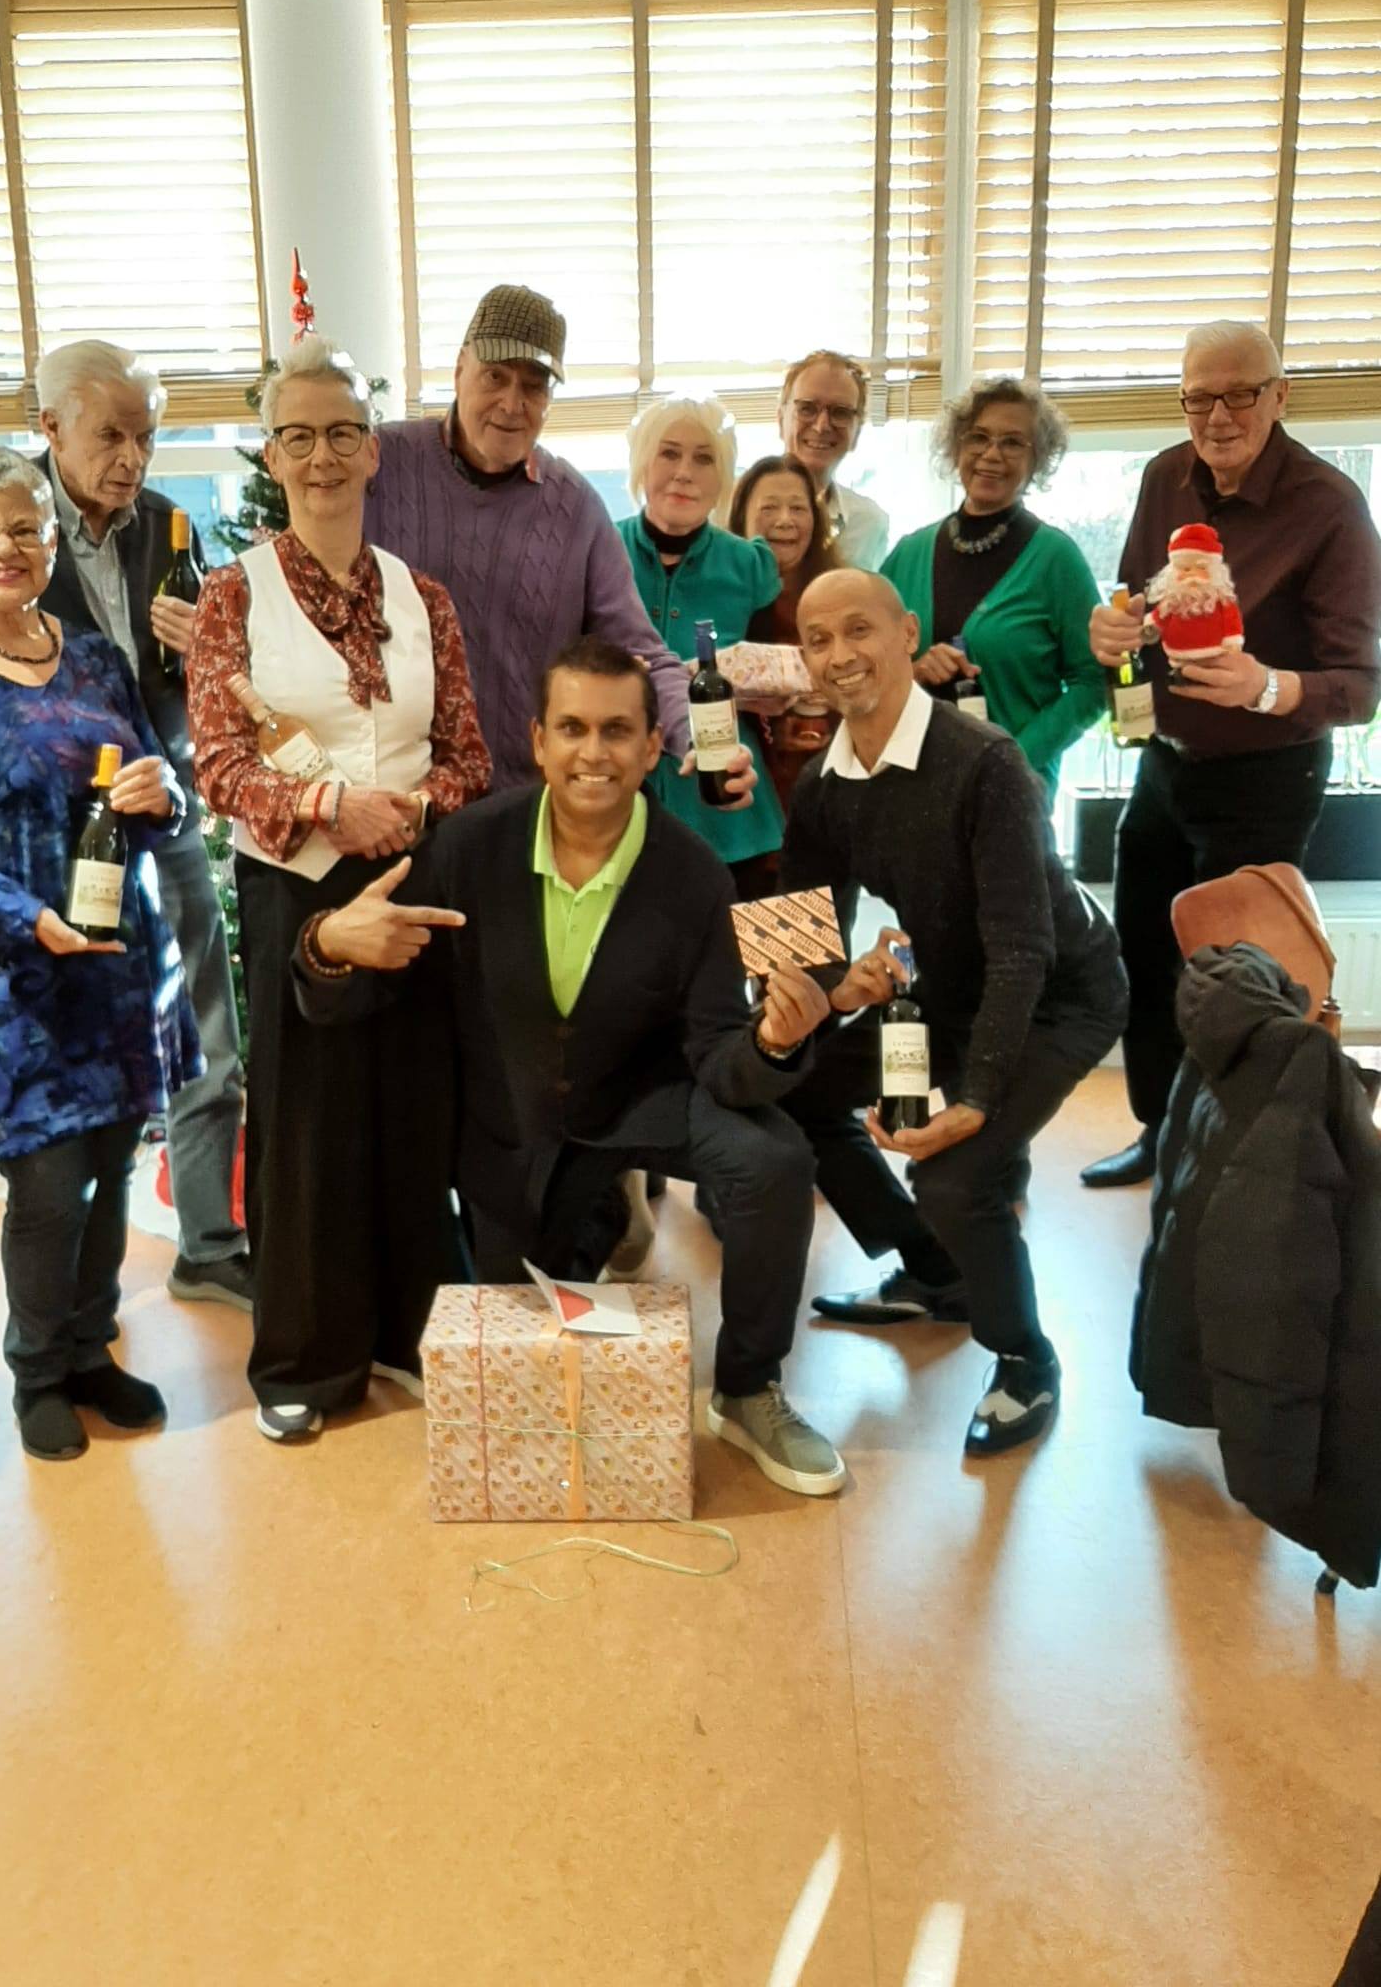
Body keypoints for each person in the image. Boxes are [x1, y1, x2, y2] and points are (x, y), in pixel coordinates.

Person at [293, 636, 847, 1498]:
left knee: (774, 1159)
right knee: (533, 1350)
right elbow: (363, 987)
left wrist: (775, 1042)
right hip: (513, 1127)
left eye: (618, 730)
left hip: (646, 1099)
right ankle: (603, 1213)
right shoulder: (469, 846)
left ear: (653, 746)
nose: (595, 751)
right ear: (538, 741)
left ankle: (747, 1388)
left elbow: (717, 1056)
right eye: (574, 728)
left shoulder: (695, 875)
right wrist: (327, 943)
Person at [0, 339, 251, 1312]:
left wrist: (209, 650)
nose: (132, 457)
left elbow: (203, 685)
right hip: (43, 841)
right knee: (71, 1084)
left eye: (147, 436)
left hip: (159, 808)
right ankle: (61, 1321)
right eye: (111, 436)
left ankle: (209, 1246)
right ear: (49, 426)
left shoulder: (170, 526)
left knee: (204, 1035)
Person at [187, 337, 491, 1442]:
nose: (323, 457)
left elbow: (468, 754)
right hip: (294, 891)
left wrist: (412, 809)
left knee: (414, 1108)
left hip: (408, 869)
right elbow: (219, 764)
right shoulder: (233, 596)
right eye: (299, 436)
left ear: (374, 453)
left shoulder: (424, 597)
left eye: (344, 434)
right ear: (272, 455)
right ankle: (306, 1363)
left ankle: (410, 1331)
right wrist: (328, 808)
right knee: (308, 1126)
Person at [0, 447, 199, 1461]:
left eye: (25, 528)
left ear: (53, 538)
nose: (4, 548)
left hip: (112, 961)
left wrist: (163, 796)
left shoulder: (93, 658)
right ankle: (39, 1372)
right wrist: (19, 912)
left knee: (112, 1163)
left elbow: (157, 793)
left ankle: (93, 1349)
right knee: (51, 1185)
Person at [778, 570, 1127, 1456]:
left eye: (859, 630)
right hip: (949, 985)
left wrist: (974, 1098)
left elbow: (1024, 949)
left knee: (953, 1179)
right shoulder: (821, 784)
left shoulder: (985, 762)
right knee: (797, 1093)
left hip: (1061, 993)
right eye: (817, 640)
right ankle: (935, 1272)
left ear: (907, 634)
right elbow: (798, 929)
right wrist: (807, 1005)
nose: (839, 654)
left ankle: (1025, 1358)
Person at [1081, 319, 1381, 1187]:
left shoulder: (1330, 505)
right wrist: (1113, 629)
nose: (1218, 416)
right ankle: (1160, 1131)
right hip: (1166, 762)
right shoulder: (1162, 477)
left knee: (1237, 978)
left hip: (1268, 775)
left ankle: (1231, 1156)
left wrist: (1264, 686)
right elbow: (1136, 601)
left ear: (1280, 396)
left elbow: (1360, 686)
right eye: (1199, 397)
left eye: (1240, 394)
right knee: (1145, 951)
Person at [361, 282, 752, 810]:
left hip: (527, 810)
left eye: (533, 385)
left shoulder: (576, 509)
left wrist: (703, 741)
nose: (512, 404)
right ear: (459, 370)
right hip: (392, 806)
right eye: (495, 377)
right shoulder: (378, 465)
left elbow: (642, 654)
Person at [880, 375, 1103, 806]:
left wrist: (1012, 760)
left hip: (1009, 797)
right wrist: (914, 672)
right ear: (956, 447)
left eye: (1013, 442)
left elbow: (1093, 683)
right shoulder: (908, 553)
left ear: (1038, 459)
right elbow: (870, 664)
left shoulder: (1056, 559)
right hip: (907, 790)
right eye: (978, 437)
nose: (991, 454)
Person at [616, 392, 783, 894]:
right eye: (669, 453)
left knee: (771, 943)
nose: (684, 473)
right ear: (642, 464)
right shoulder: (600, 550)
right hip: (619, 809)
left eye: (704, 458)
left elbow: (791, 674)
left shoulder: (751, 565)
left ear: (723, 477)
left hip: (734, 812)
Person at [729, 455, 838, 806]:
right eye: (769, 508)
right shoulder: (721, 600)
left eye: (798, 508)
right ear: (741, 519)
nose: (785, 520)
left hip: (830, 786)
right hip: (745, 789)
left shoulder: (839, 596)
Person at [777, 348, 890, 568]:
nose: (822, 426)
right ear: (781, 420)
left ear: (857, 431)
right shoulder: (731, 510)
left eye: (840, 413)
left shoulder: (870, 525)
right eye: (807, 409)